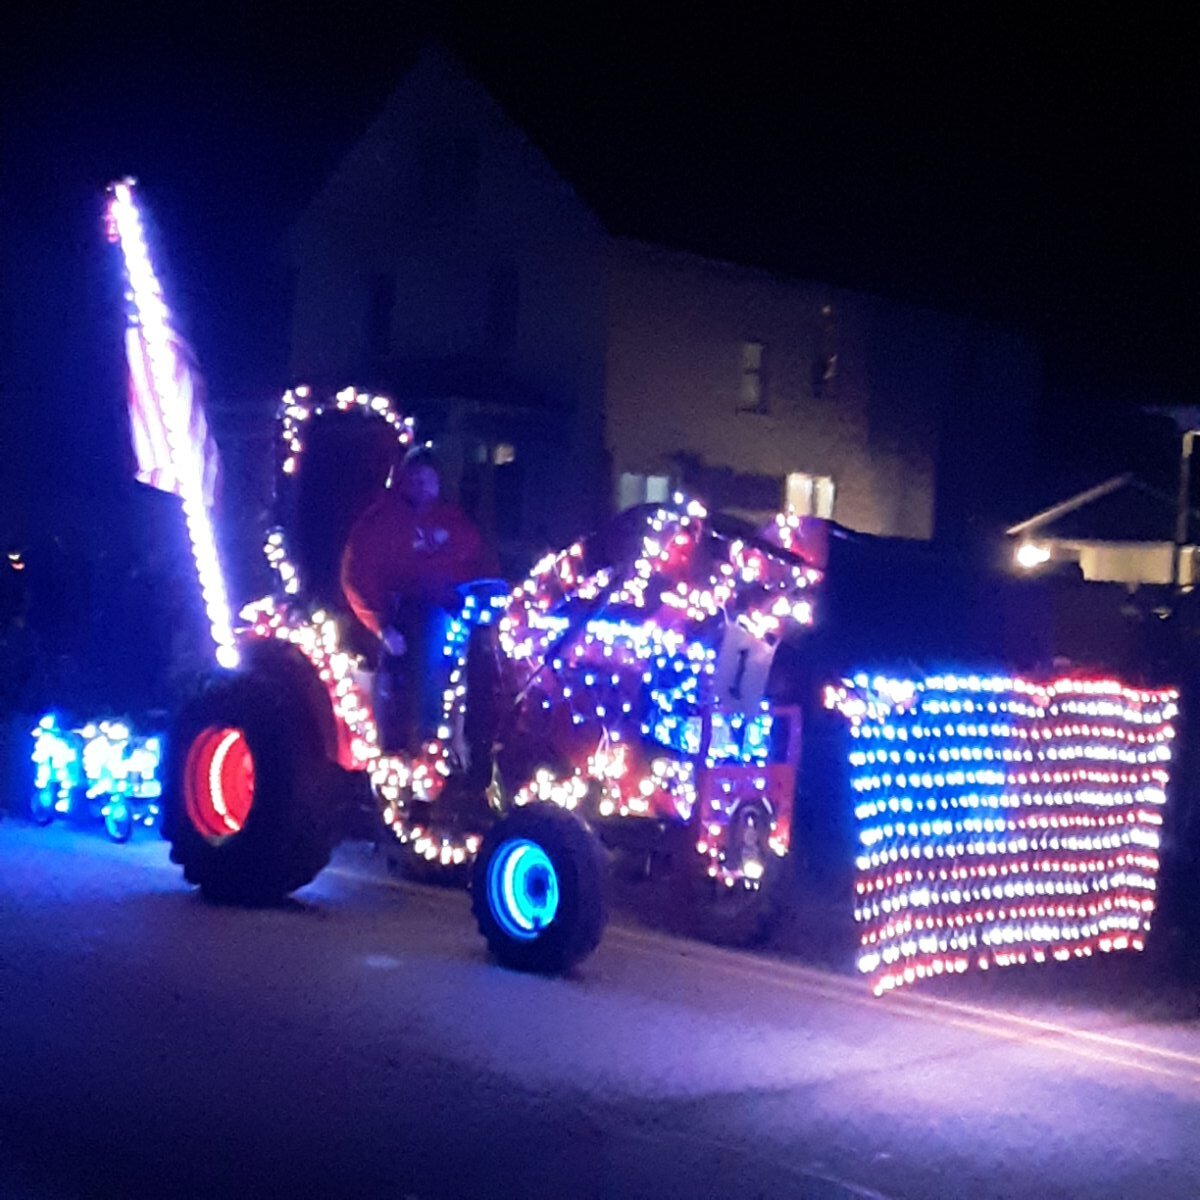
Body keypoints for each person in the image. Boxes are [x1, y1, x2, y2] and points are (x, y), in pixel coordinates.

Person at [340, 447, 491, 753]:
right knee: (432, 632)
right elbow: (357, 577)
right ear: (403, 481)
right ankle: (426, 742)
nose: (423, 486)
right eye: (416, 479)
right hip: (408, 615)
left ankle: (484, 742)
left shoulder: (455, 523)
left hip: (459, 611)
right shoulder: (381, 523)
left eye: (429, 479)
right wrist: (382, 627)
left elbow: (481, 565)